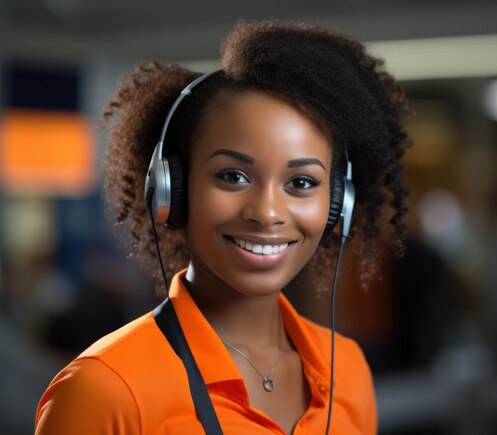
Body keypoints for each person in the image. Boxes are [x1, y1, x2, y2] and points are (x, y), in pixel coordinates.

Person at [34, 21, 410, 434]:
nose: (267, 213)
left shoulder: (348, 370)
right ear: (172, 191)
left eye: (301, 183)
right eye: (233, 176)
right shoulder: (105, 389)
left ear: (338, 204)